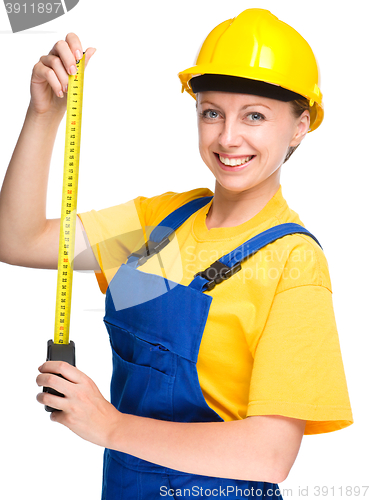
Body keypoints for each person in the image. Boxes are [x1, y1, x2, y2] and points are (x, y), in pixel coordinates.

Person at [0, 8, 353, 500]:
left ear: (300, 127)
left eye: (255, 115)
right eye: (212, 112)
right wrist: (44, 116)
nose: (228, 137)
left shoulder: (294, 262)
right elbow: (18, 240)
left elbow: (269, 455)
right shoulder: (161, 224)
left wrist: (109, 426)